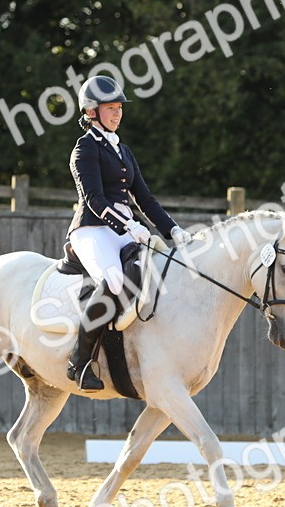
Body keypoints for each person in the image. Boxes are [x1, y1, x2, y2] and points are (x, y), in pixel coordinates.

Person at [65, 74, 193, 392]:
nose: (118, 113)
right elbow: (95, 200)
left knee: (161, 271)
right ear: (91, 112)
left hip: (124, 230)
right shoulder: (84, 149)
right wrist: (128, 226)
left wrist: (173, 230)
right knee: (114, 280)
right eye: (110, 108)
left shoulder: (122, 149)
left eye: (119, 107)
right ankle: (78, 363)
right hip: (92, 230)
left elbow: (145, 198)